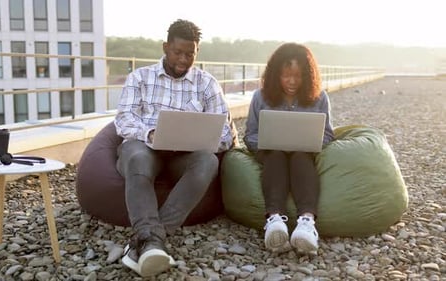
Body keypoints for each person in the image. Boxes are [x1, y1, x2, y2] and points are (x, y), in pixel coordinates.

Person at [113, 19, 236, 277]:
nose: (183, 59)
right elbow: (124, 119)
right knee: (137, 158)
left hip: (185, 155)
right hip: (145, 148)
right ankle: (151, 240)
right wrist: (151, 133)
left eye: (189, 54)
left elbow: (226, 131)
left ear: (197, 52)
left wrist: (206, 140)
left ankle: (149, 239)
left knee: (208, 162)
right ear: (165, 47)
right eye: (177, 52)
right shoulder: (140, 77)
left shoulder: (207, 83)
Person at [243, 42, 334, 254]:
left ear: (308, 76)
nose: (292, 82)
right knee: (275, 156)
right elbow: (250, 135)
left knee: (301, 157)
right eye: (286, 76)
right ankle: (274, 220)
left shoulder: (320, 97)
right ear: (276, 74)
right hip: (270, 154)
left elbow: (328, 134)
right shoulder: (260, 97)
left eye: (298, 76)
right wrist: (269, 142)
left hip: (304, 154)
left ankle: (307, 222)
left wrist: (309, 143)